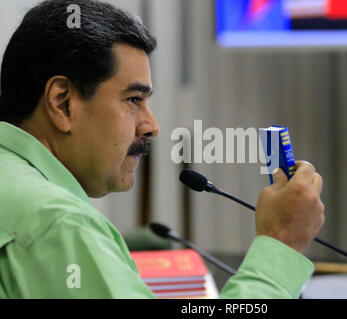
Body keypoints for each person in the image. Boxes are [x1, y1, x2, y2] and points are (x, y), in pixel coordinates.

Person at [0, 0, 324, 298]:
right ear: (62, 102)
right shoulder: (60, 223)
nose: (151, 126)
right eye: (133, 100)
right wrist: (280, 242)